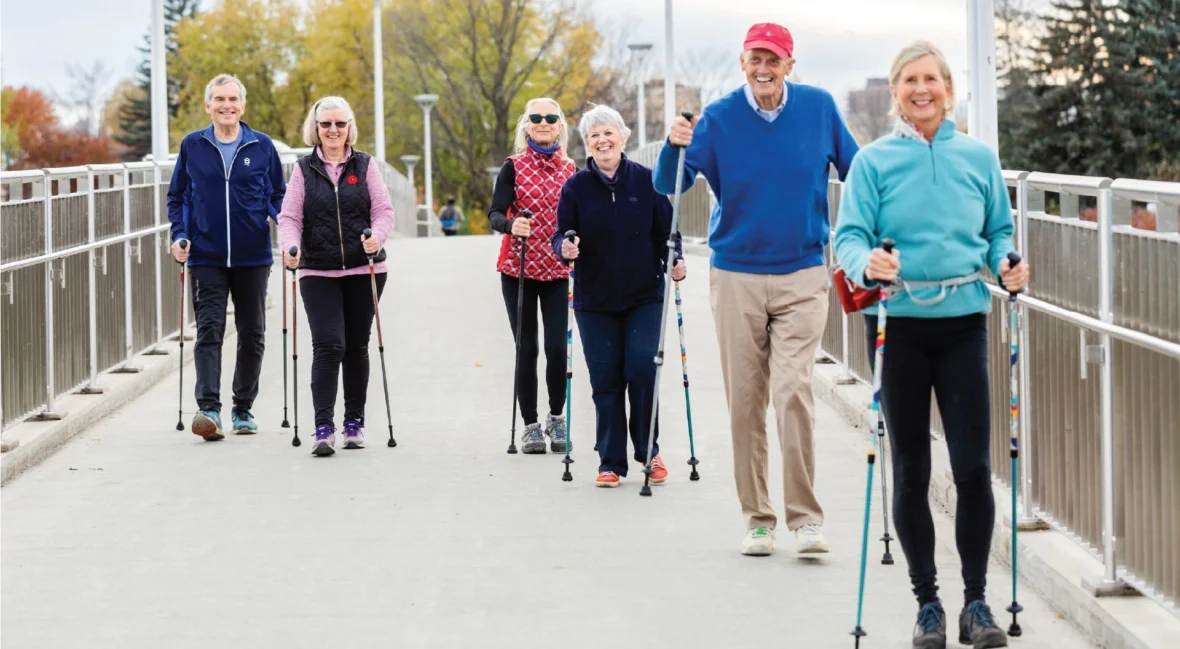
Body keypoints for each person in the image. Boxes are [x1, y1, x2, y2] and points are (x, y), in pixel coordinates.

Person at [833, 41, 1030, 649]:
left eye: (931, 79)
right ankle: (929, 606)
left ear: (947, 86)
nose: (921, 90)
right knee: (912, 468)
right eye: (909, 81)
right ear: (896, 92)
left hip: (964, 322)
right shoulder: (872, 162)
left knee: (973, 468)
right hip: (899, 325)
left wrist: (1006, 264)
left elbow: (998, 230)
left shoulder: (977, 157)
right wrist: (869, 261)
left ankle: (977, 603)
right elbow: (848, 239)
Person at [652, 22, 859, 556]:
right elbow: (667, 185)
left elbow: (857, 170)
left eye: (773, 60)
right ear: (741, 62)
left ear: (790, 64)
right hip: (737, 273)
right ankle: (759, 519)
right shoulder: (718, 118)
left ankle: (806, 518)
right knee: (746, 403)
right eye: (754, 60)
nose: (763, 69)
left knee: (793, 392)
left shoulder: (818, 108)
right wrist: (673, 147)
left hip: (802, 271)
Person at [553, 105, 686, 488]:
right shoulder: (575, 187)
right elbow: (561, 234)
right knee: (606, 378)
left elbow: (667, 233)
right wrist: (565, 247)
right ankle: (610, 461)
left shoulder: (647, 181)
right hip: (595, 300)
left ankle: (648, 451)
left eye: (608, 132)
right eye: (594, 136)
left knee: (643, 369)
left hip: (645, 295)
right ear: (586, 144)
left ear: (623, 137)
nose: (602, 140)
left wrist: (674, 260)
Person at [167, 73, 286, 441]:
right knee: (209, 330)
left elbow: (278, 197)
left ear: (243, 106)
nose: (226, 105)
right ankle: (209, 410)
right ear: (208, 106)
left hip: (253, 256)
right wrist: (180, 235)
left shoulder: (262, 146)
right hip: (206, 255)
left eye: (233, 99)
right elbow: (178, 197)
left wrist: (292, 233)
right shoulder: (193, 146)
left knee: (253, 333)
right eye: (219, 99)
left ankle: (243, 408)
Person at [278, 96, 395, 457]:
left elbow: (383, 210)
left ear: (349, 127)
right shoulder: (302, 169)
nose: (332, 130)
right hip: (317, 269)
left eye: (339, 124)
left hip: (365, 268)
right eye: (325, 124)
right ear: (315, 128)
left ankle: (354, 423)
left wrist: (377, 236)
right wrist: (290, 247)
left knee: (357, 346)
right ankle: (323, 426)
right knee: (329, 344)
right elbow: (290, 217)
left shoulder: (365, 164)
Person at [487, 97, 575, 454]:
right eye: (536, 117)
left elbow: (581, 216)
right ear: (527, 125)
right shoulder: (513, 166)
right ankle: (531, 426)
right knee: (527, 348)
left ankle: (556, 417)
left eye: (550, 118)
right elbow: (494, 213)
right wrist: (512, 224)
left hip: (557, 269)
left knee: (557, 349)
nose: (543, 122)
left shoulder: (571, 170)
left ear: (559, 126)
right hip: (518, 270)